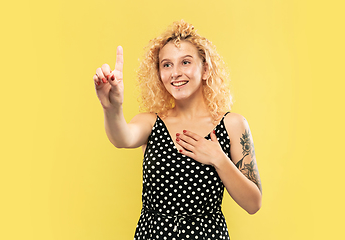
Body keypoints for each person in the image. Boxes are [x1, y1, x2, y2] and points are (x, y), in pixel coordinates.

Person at [93, 20, 262, 240]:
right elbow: (121, 137)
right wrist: (112, 108)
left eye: (186, 62)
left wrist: (218, 159)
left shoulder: (233, 125)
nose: (175, 73)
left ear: (205, 69)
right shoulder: (151, 122)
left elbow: (253, 203)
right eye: (167, 64)